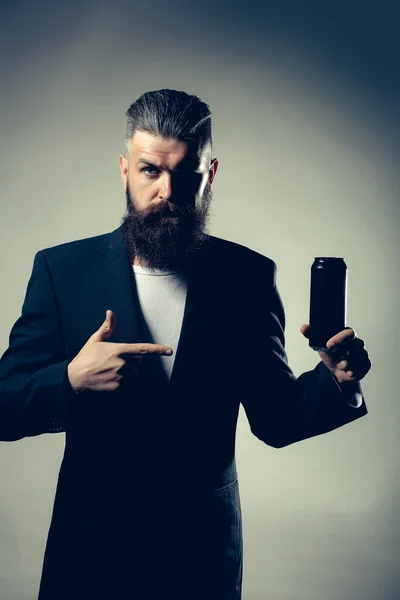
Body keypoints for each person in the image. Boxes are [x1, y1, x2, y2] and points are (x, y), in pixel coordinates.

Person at [0, 89, 371, 600]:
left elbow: (277, 420)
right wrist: (71, 379)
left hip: (200, 560)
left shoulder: (247, 277)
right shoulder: (62, 271)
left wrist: (338, 382)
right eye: (151, 170)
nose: (167, 192)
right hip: (89, 556)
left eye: (186, 174)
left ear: (210, 174)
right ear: (125, 169)